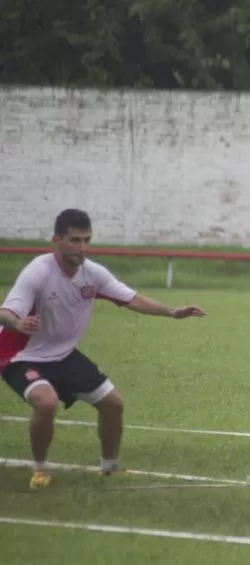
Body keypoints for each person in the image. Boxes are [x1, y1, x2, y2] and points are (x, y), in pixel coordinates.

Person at [0, 209, 206, 489]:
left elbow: (132, 299)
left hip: (63, 354)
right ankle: (40, 469)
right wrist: (19, 323)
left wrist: (173, 312)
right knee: (46, 402)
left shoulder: (92, 274)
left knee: (113, 404)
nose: (82, 248)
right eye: (74, 240)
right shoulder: (37, 272)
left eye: (87, 240)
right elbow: (6, 313)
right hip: (20, 355)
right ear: (56, 240)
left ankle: (109, 469)